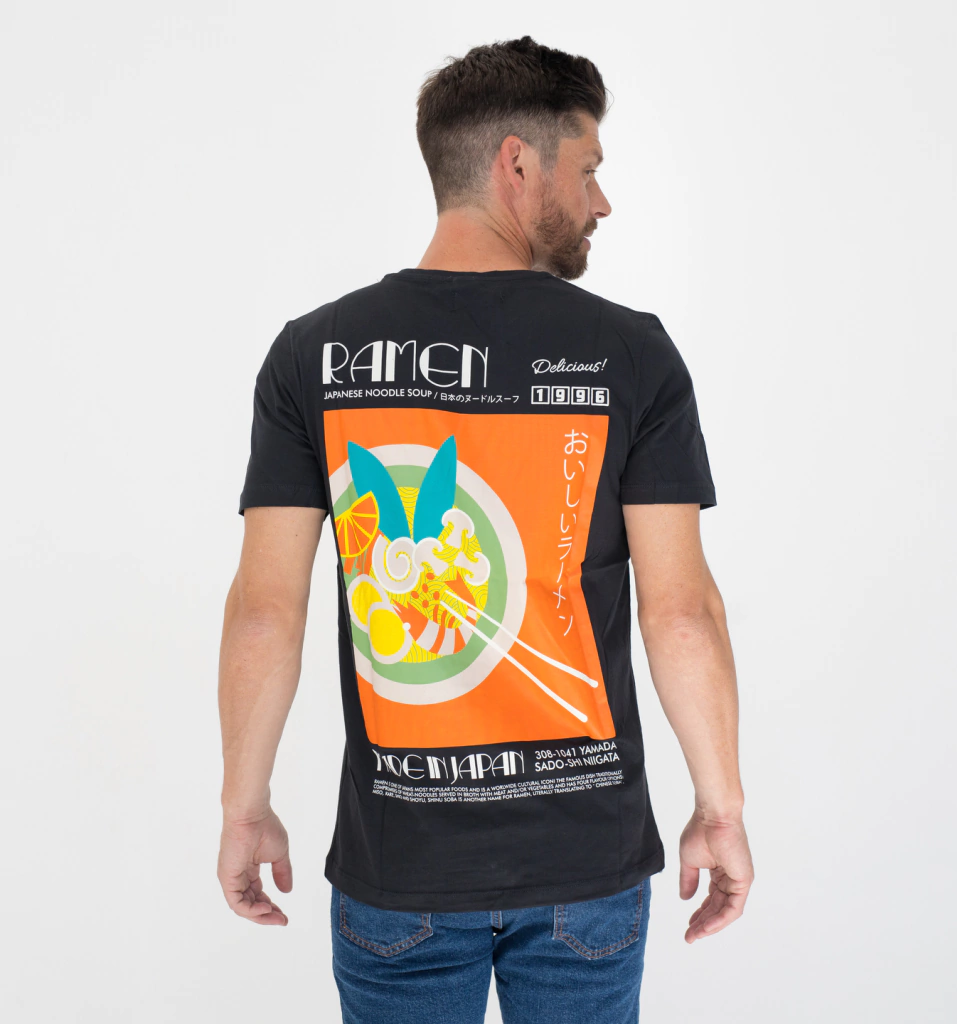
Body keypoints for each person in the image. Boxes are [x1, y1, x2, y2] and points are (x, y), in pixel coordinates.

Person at [217, 34, 753, 1024]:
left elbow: (264, 611)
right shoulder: (628, 354)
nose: (601, 201)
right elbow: (683, 613)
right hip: (586, 866)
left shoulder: (314, 355)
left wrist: (243, 807)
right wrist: (720, 808)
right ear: (518, 163)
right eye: (587, 168)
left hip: (401, 867)